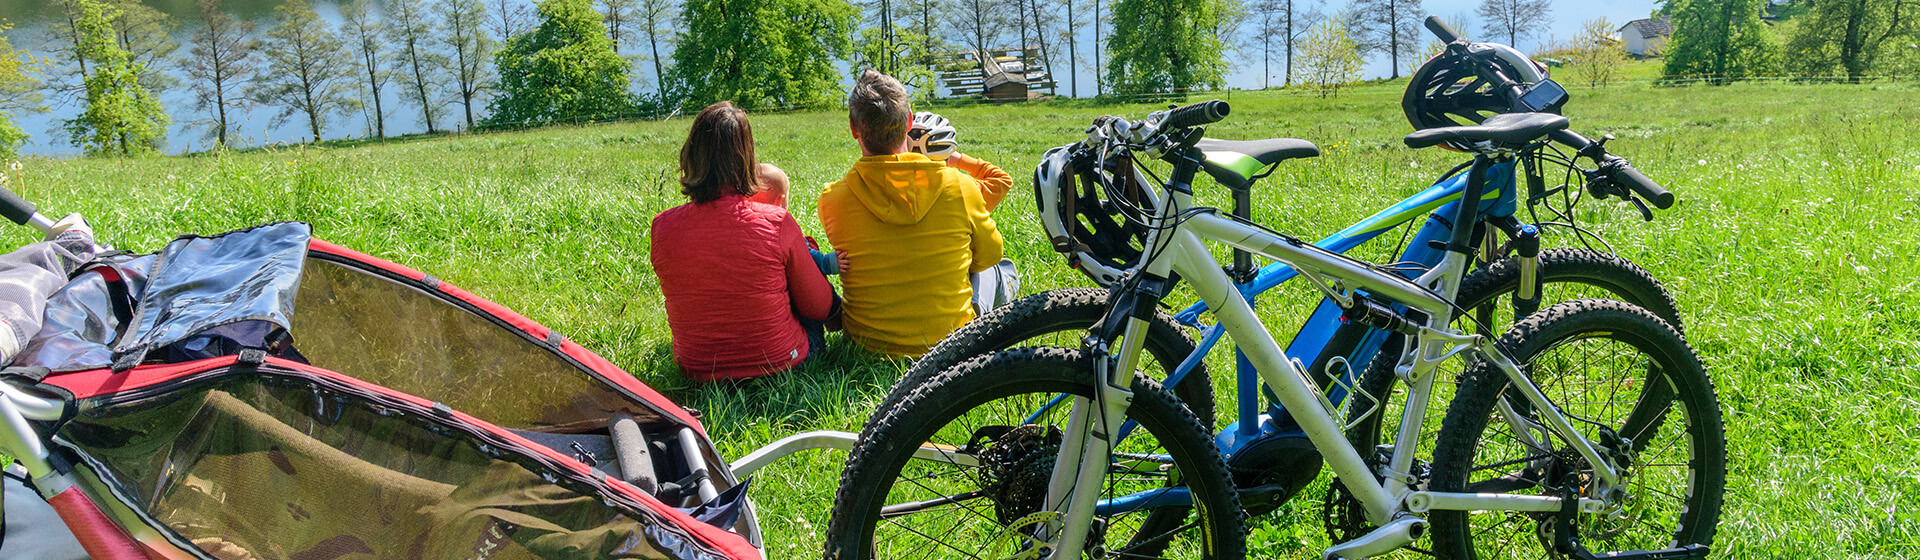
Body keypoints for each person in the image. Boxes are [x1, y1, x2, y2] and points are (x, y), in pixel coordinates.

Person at [818, 69, 1016, 357]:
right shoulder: (960, 186)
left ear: (853, 128)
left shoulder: (832, 199)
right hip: (950, 343)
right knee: (1002, 268)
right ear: (909, 121)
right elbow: (989, 257)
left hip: (868, 344)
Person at [650, 101, 843, 381]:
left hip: (696, 368)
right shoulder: (775, 221)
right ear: (746, 158)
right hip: (779, 363)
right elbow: (817, 306)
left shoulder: (662, 226)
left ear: (690, 154)